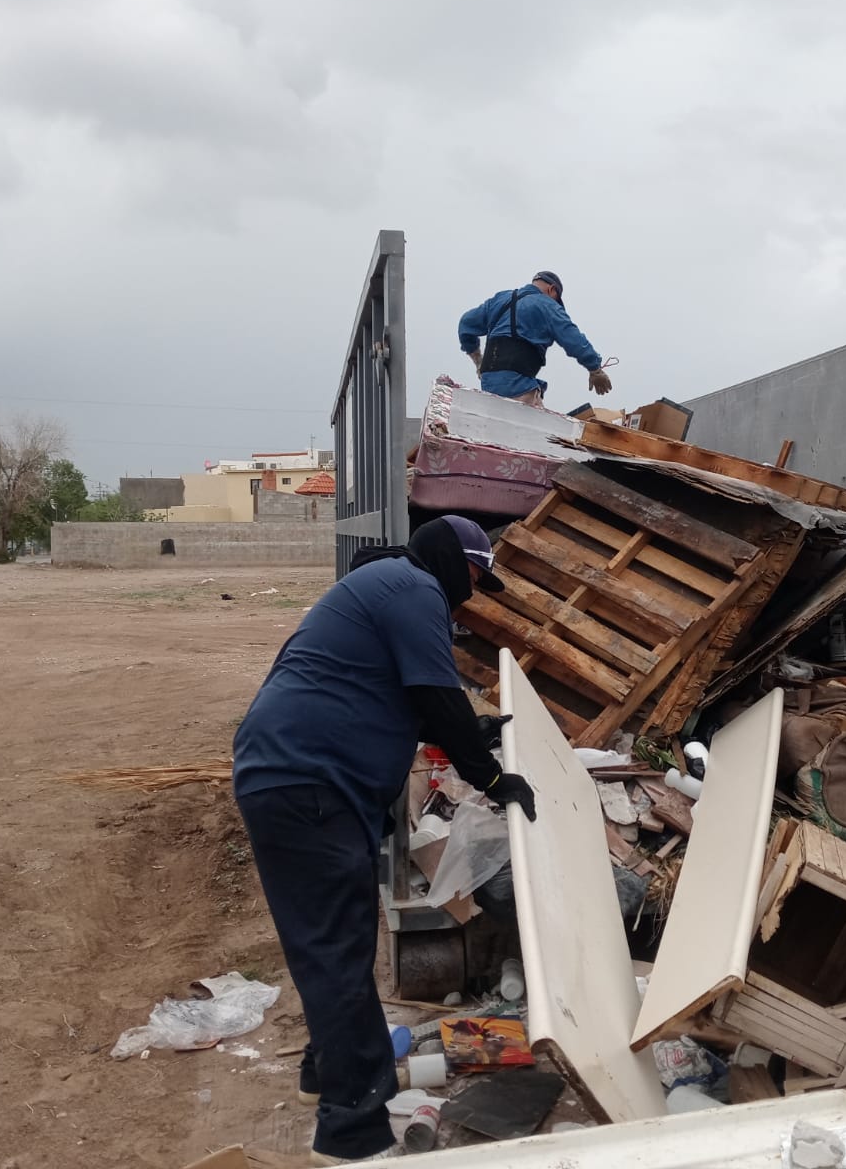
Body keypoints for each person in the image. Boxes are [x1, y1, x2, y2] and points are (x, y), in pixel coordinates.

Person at [231, 516, 536, 1166]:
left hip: (295, 776)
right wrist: (493, 777)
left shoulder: (385, 585)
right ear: (456, 561)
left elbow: (414, 703)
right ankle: (353, 1130)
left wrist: (473, 732)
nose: (472, 594)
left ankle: (326, 1067)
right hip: (306, 781)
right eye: (476, 578)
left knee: (332, 939)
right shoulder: (413, 587)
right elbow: (433, 692)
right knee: (336, 948)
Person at [458, 270, 613, 405]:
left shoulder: (498, 300)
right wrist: (595, 369)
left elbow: (465, 324)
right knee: (543, 436)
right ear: (552, 290)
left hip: (489, 384)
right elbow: (573, 338)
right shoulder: (547, 305)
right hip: (518, 386)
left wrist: (478, 361)